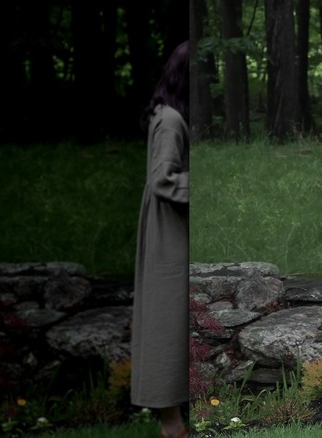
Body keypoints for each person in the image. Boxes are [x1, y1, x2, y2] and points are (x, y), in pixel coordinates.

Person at [130, 40, 190, 438]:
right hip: (169, 233)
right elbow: (162, 179)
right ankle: (173, 426)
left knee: (174, 324)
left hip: (174, 229)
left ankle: (176, 424)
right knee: (166, 322)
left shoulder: (170, 115)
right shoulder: (169, 119)